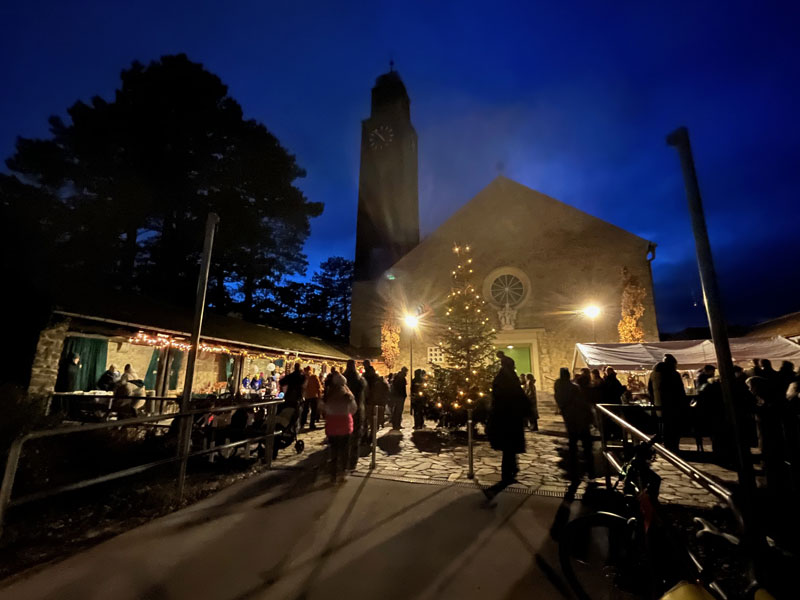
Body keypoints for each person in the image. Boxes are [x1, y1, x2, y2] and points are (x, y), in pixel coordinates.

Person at [484, 353, 528, 502]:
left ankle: (511, 471)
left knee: (509, 448)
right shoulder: (509, 379)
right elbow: (518, 396)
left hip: (504, 418)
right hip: (510, 418)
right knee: (510, 447)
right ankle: (508, 474)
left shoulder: (500, 378)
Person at [555, 367, 595, 480]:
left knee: (573, 443)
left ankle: (574, 468)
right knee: (586, 444)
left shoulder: (559, 387)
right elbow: (582, 403)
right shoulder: (573, 388)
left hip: (569, 418)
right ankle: (590, 470)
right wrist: (590, 417)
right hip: (579, 418)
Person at [319, 372, 357, 484]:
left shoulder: (329, 394)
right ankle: (343, 472)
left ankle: (333, 474)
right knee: (345, 450)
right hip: (345, 425)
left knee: (334, 451)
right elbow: (353, 409)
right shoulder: (348, 395)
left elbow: (323, 407)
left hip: (332, 425)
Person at [648, 353, 686, 452]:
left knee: (664, 427)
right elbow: (680, 391)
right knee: (674, 428)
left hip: (658, 406)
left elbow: (650, 390)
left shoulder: (653, 374)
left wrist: (654, 401)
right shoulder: (673, 374)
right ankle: (673, 448)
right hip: (673, 406)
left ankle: (666, 446)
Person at [343, 359, 366, 469]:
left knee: (345, 435)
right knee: (356, 435)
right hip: (356, 409)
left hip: (344, 410)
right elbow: (363, 393)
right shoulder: (359, 380)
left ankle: (344, 459)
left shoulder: (343, 380)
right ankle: (353, 460)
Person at [364, 365, 390, 439]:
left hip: (370, 402)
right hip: (374, 402)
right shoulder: (377, 379)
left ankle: (370, 435)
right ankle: (372, 434)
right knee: (373, 420)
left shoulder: (366, 379)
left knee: (369, 419)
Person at [301, 365, 322, 430]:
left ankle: (303, 423)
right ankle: (311, 424)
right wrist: (319, 395)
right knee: (312, 410)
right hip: (313, 395)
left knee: (306, 410)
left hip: (307, 395)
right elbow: (319, 386)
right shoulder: (314, 377)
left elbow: (303, 387)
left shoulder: (305, 377)